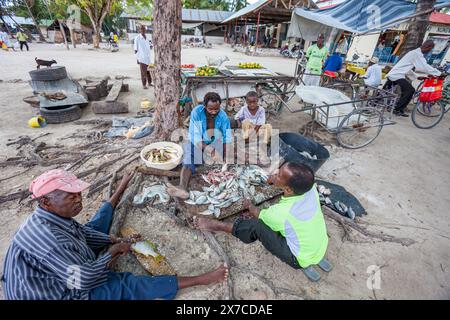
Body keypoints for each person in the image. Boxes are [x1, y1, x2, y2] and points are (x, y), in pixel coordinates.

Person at [1, 169, 228, 300]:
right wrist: (111, 254)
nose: (78, 199)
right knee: (124, 285)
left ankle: (120, 190)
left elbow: (82, 233)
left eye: (78, 193)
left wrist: (114, 240)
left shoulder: (51, 218)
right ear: (46, 201)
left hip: (57, 271)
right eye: (70, 196)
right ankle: (201, 279)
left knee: (96, 226)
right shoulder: (48, 240)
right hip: (53, 293)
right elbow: (83, 281)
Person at [192, 162, 329, 270]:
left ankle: (217, 225)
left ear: (288, 189)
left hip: (299, 258)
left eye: (279, 175)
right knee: (285, 224)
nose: (275, 173)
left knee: (257, 226)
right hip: (320, 246)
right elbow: (286, 189)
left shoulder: (280, 213)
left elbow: (259, 214)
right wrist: (276, 180)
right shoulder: (310, 189)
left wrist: (250, 206)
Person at [167, 92, 232, 200]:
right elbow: (196, 138)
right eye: (210, 109)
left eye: (217, 109)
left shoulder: (223, 116)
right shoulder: (197, 112)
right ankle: (182, 187)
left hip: (214, 142)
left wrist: (225, 156)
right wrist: (210, 151)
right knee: (189, 159)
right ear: (205, 106)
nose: (214, 112)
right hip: (197, 143)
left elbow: (227, 138)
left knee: (228, 156)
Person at [384, 40, 441, 117]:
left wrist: (417, 76)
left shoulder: (414, 52)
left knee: (384, 92)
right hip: (397, 75)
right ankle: (397, 109)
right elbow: (424, 67)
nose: (429, 51)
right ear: (427, 47)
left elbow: (407, 68)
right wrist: (439, 73)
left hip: (396, 74)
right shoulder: (417, 54)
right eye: (430, 50)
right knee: (410, 90)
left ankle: (376, 102)